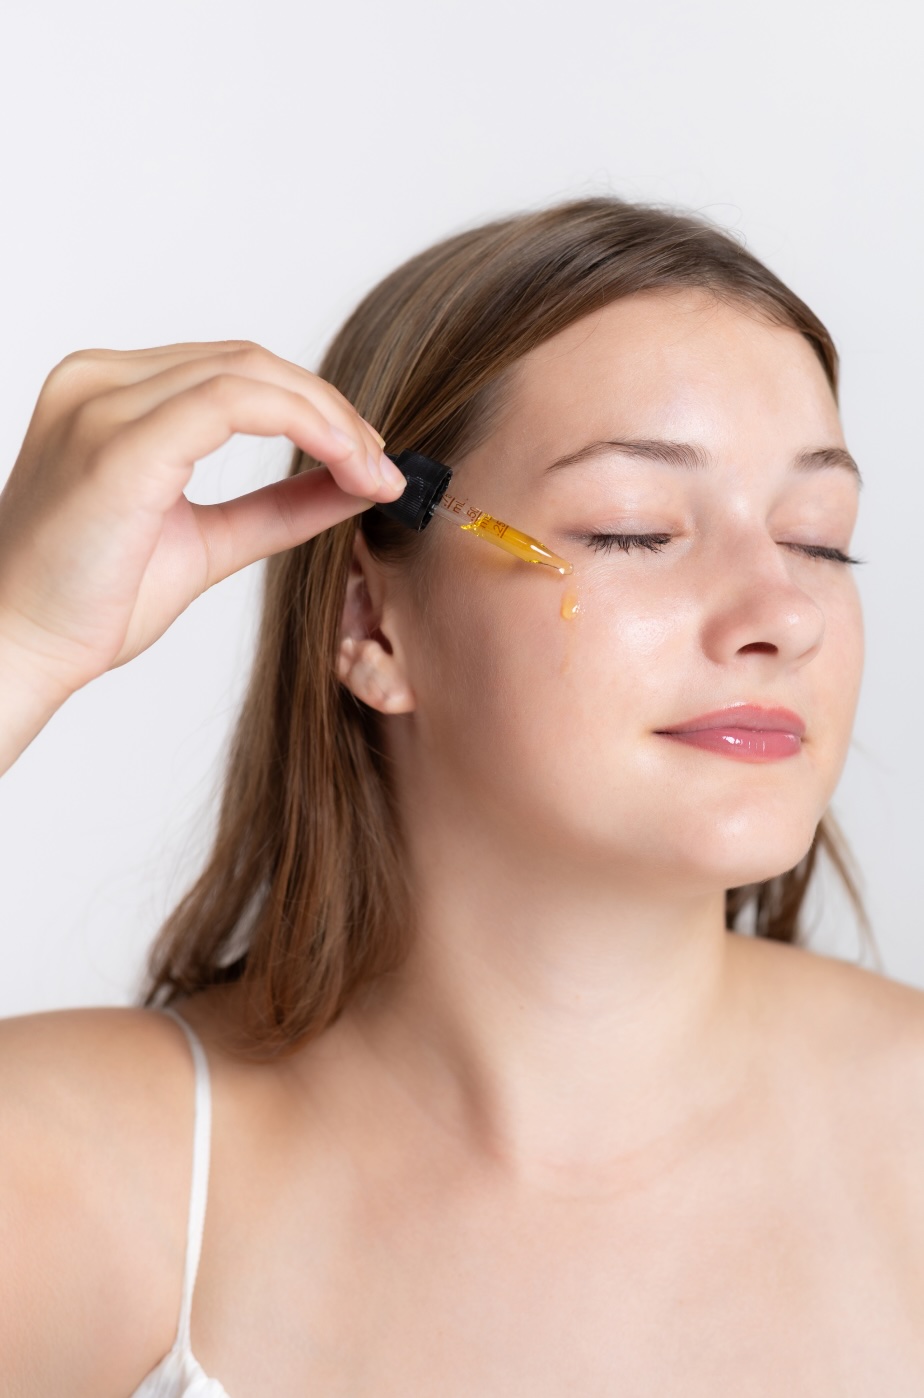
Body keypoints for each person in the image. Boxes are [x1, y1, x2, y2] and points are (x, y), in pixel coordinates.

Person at [2, 196, 923, 1395]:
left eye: (819, 539)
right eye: (637, 530)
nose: (784, 614)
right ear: (372, 621)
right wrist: (17, 639)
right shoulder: (83, 1173)